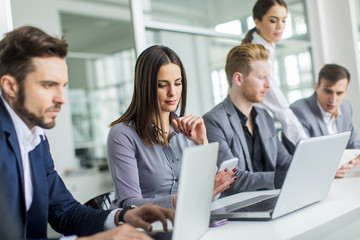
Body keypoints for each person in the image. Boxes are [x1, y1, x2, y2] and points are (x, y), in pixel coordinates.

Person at [0, 25, 174, 240]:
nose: (61, 98)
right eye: (48, 85)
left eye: (63, 86)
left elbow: (65, 213)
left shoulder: (36, 140)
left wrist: (122, 217)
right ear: (10, 86)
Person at [107, 45, 237, 209]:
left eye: (177, 83)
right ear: (144, 86)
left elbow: (212, 196)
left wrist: (202, 143)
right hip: (149, 229)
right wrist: (184, 199)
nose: (173, 93)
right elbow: (129, 204)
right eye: (162, 85)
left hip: (189, 221)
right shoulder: (122, 135)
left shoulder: (187, 130)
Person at [203, 43, 292, 195]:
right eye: (261, 78)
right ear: (238, 79)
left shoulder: (264, 117)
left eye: (268, 78)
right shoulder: (213, 121)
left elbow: (285, 162)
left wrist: (318, 169)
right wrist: (279, 179)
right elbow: (232, 178)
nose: (268, 85)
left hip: (270, 198)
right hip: (236, 207)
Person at [242, 0, 308, 150]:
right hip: (252, 126)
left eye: (284, 20)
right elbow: (281, 108)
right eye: (273, 20)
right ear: (257, 22)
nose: (280, 26)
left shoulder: (267, 47)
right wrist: (306, 144)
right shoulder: (258, 55)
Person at [290, 64, 360, 177]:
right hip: (313, 179)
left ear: (346, 91)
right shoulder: (299, 111)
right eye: (328, 91)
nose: (333, 100)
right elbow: (303, 158)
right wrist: (329, 170)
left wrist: (352, 161)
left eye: (339, 93)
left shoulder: (346, 107)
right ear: (317, 87)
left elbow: (354, 146)